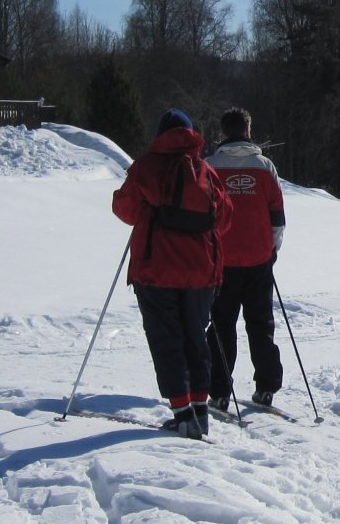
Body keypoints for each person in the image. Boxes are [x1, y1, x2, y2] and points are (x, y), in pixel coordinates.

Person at [112, 109, 233, 438]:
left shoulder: (146, 167)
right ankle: (200, 411)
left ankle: (182, 414)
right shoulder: (205, 171)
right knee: (196, 338)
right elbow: (224, 219)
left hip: (156, 271)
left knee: (166, 339)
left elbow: (125, 210)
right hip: (201, 272)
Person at [204, 107, 287, 410]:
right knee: (261, 324)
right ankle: (266, 387)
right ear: (248, 130)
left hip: (222, 261)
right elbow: (277, 216)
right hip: (258, 259)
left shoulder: (209, 167)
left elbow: (203, 214)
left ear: (223, 133)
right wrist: (272, 250)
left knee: (221, 325)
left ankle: (219, 391)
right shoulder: (265, 167)